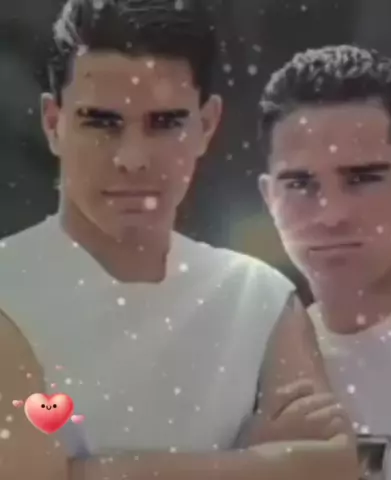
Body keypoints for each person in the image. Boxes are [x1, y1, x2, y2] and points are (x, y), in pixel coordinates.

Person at [0, 3, 359, 480]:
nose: (132, 159)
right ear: (53, 123)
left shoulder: (258, 297)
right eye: (101, 122)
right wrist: (261, 465)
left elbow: (333, 468)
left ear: (206, 125)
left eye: (165, 122)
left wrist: (90, 471)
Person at [257, 43, 391, 479]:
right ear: (269, 198)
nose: (332, 215)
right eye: (300, 183)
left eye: (363, 179)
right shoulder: (253, 366)